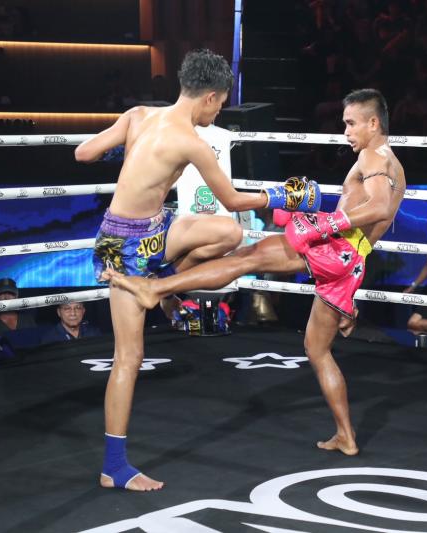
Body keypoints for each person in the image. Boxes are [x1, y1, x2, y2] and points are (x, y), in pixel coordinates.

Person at [108, 88, 405, 458]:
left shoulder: (373, 156)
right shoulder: (393, 163)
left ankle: (157, 289)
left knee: (245, 258)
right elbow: (375, 214)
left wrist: (325, 224)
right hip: (352, 261)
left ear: (373, 123)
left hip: (335, 247)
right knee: (316, 349)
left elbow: (378, 207)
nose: (345, 132)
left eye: (351, 123)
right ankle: (346, 436)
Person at [76, 49, 323, 491]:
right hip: (124, 249)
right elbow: (234, 199)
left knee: (227, 233)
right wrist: (284, 196)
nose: (219, 112)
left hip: (154, 229)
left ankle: (162, 286)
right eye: (221, 104)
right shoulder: (191, 142)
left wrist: (134, 158)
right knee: (129, 357)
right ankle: (114, 467)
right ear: (209, 97)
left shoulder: (138, 115)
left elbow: (84, 153)